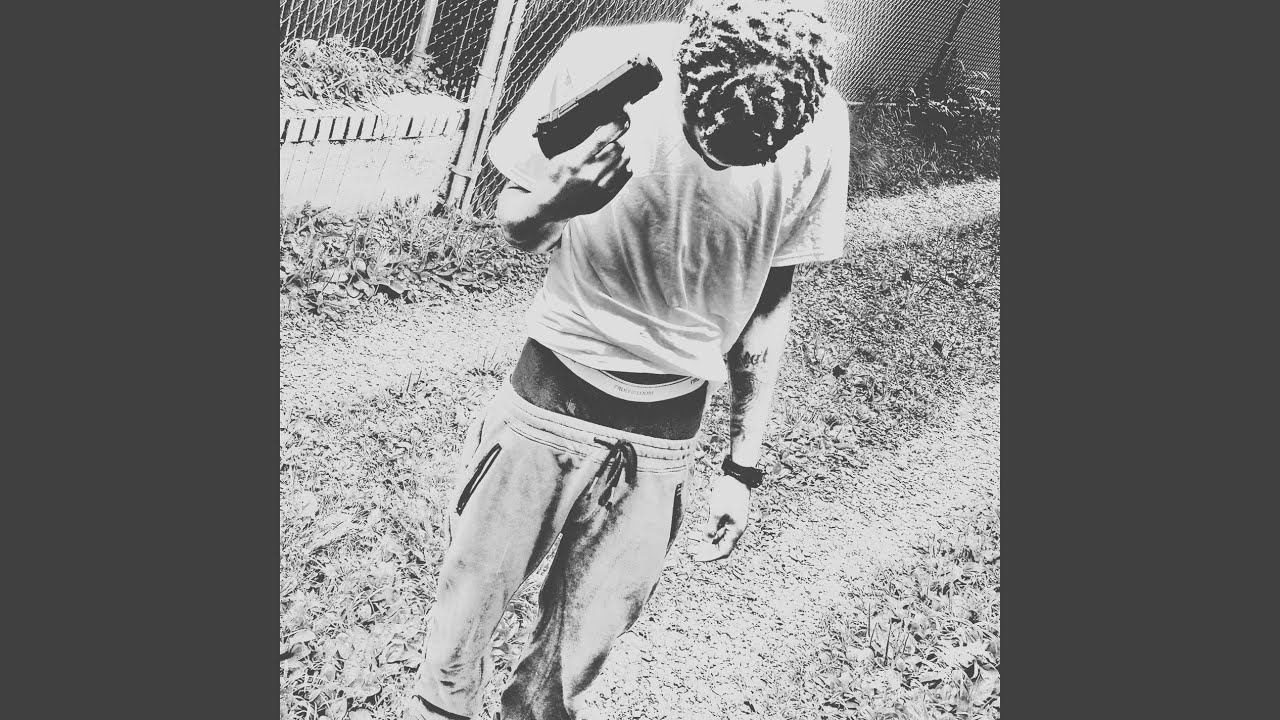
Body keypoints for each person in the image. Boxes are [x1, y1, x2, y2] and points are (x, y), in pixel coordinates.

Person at [404, 1, 849, 718]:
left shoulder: (822, 123)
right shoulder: (600, 64)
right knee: (457, 643)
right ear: (685, 76)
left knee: (566, 678)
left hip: (663, 441)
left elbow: (770, 302)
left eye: (754, 154)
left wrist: (742, 467)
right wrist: (557, 201)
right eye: (709, 139)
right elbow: (516, 221)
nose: (727, 163)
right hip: (545, 405)